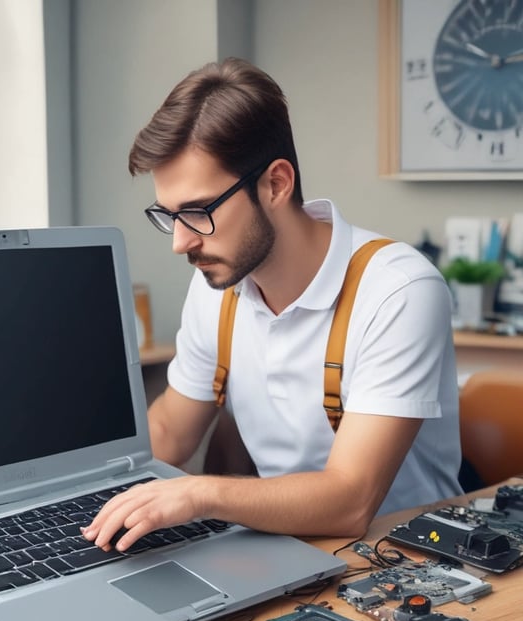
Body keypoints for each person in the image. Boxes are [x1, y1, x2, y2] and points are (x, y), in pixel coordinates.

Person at [81, 56, 462, 552]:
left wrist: (198, 493)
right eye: (169, 215)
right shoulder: (216, 288)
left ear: (276, 184)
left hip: (404, 561)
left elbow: (350, 501)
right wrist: (48, 488)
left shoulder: (398, 290)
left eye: (197, 212)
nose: (179, 243)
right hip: (283, 551)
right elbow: (170, 431)